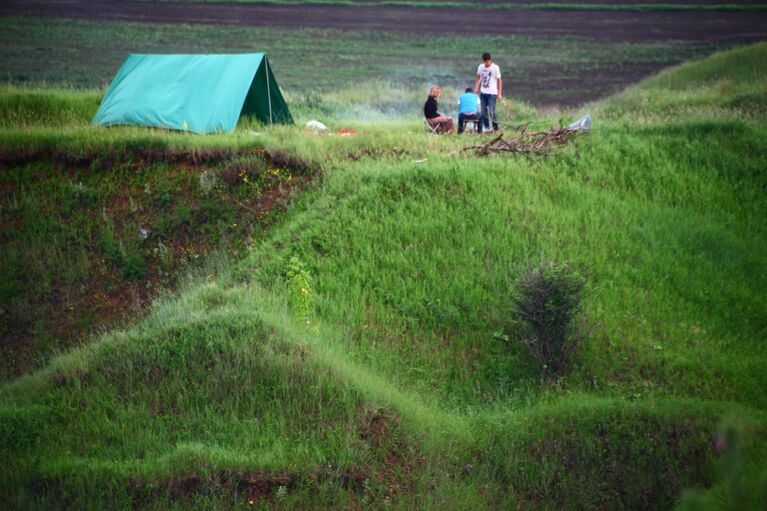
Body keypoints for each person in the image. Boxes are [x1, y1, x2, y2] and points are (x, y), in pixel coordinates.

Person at [474, 52, 502, 133]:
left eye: (488, 62)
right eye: (485, 62)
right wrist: (476, 88)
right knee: (483, 112)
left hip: (492, 93)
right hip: (483, 93)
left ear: (490, 60)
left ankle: (495, 128)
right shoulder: (480, 67)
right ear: (483, 61)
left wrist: (499, 93)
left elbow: (499, 80)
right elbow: (478, 78)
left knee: (491, 111)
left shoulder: (495, 68)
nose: (487, 63)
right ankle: (487, 128)